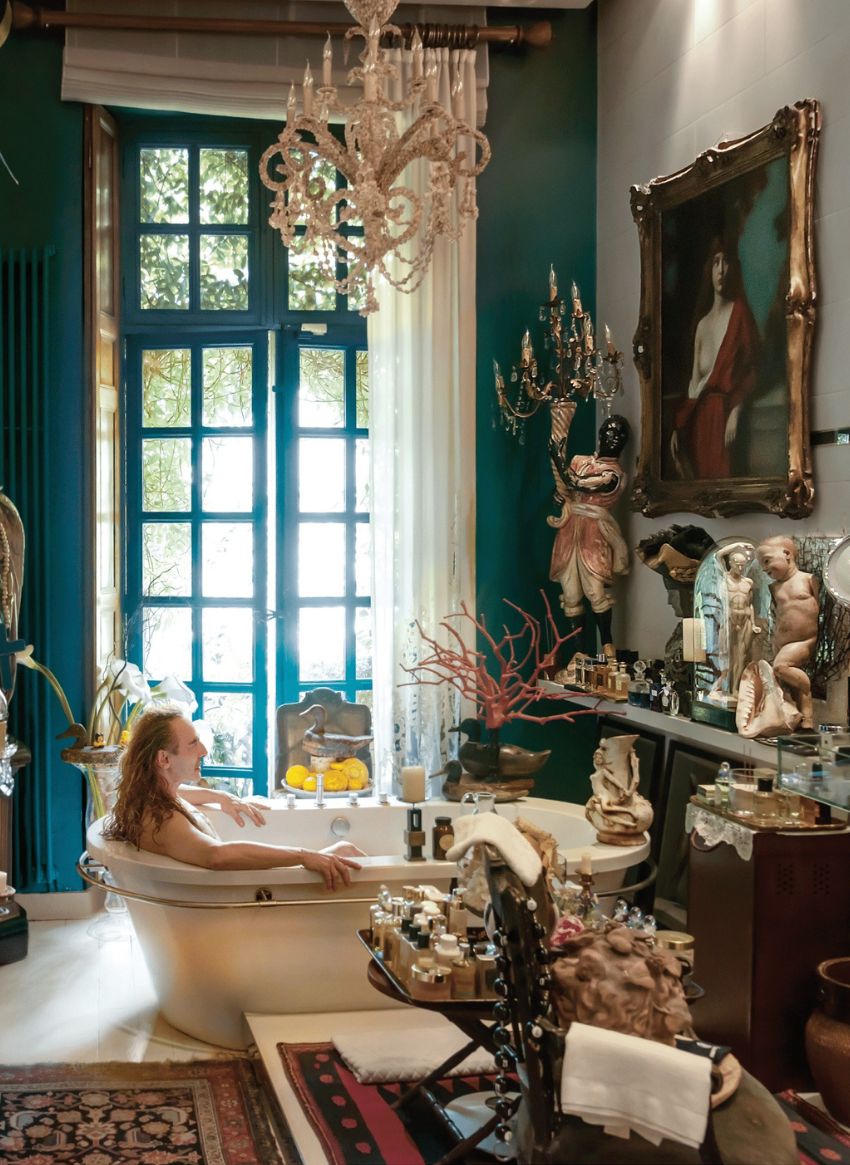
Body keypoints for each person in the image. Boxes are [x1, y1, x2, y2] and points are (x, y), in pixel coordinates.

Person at [103, 705, 364, 890]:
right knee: (345, 853)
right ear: (164, 759)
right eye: (193, 744)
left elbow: (180, 793)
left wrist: (220, 796)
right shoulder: (164, 820)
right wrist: (304, 855)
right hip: (239, 902)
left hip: (237, 892)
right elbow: (217, 856)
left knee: (344, 851)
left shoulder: (153, 796)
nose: (204, 750)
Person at [670, 242, 760, 479]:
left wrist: (736, 410)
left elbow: (752, 371)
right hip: (699, 424)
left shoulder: (740, 314)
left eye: (726, 261)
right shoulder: (702, 326)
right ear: (708, 270)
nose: (721, 270)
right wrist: (679, 427)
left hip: (724, 419)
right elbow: (694, 386)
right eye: (716, 262)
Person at [548, 414, 630, 660]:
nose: (613, 438)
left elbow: (578, 483)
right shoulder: (579, 461)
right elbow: (565, 490)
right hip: (569, 529)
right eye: (609, 432)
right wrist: (560, 496)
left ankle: (607, 645)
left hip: (593, 533)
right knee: (571, 594)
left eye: (619, 435)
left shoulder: (614, 475)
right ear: (601, 435)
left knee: (595, 591)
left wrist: (556, 454)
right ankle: (580, 652)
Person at [756, 535, 819, 729]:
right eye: (762, 565)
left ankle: (808, 702)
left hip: (804, 640)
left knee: (781, 667)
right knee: (787, 686)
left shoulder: (808, 579)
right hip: (781, 642)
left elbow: (821, 610)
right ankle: (801, 720)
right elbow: (778, 615)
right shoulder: (774, 587)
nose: (765, 569)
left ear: (787, 554)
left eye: (767, 561)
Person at [720, 544, 761, 699]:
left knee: (741, 656)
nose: (740, 568)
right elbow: (718, 556)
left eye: (743, 565)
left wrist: (754, 623)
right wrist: (736, 546)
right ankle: (725, 686)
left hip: (745, 621)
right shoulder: (724, 578)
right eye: (737, 564)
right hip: (729, 620)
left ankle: (735, 688)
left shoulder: (748, 582)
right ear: (730, 563)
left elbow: (750, 604)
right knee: (727, 655)